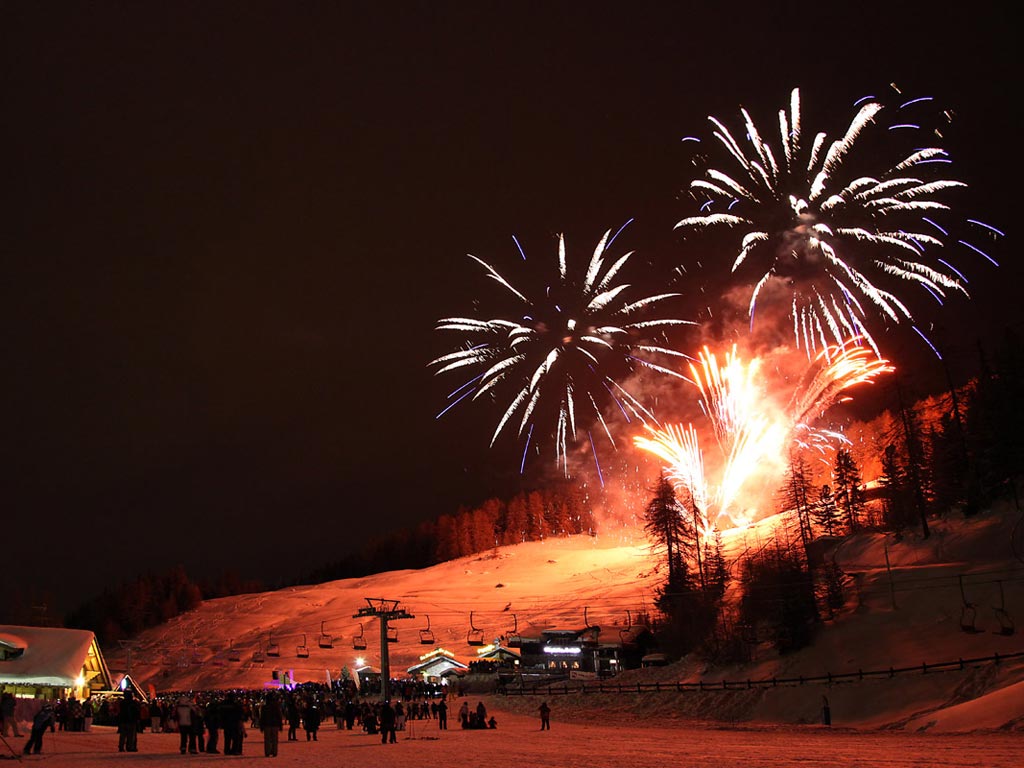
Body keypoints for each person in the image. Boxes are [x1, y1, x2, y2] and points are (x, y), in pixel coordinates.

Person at [259, 692, 283, 758]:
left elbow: (262, 717)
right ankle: (274, 751)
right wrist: (280, 725)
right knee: (274, 739)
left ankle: (267, 752)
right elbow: (279, 716)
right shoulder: (276, 707)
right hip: (275, 724)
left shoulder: (264, 707)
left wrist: (261, 726)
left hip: (267, 725)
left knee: (267, 739)